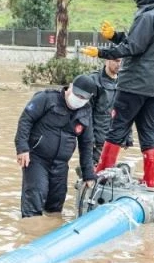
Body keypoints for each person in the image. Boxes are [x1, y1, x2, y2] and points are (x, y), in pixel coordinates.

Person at [81, 0, 154, 187]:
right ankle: (150, 181)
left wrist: (101, 52)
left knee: (117, 127)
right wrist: (115, 36)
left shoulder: (147, 16)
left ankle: (101, 175)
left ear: (143, 3)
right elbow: (141, 44)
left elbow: (132, 47)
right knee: (149, 131)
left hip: (134, 84)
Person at [14, 74, 96, 218]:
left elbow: (87, 143)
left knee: (56, 205)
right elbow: (26, 120)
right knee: (36, 194)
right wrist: (22, 148)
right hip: (36, 158)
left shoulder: (86, 110)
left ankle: (49, 230)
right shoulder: (46, 98)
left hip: (61, 164)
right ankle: (30, 231)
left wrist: (88, 174)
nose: (79, 100)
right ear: (70, 87)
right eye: (77, 95)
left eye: (84, 98)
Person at [84, 58, 123, 164]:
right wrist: (89, 138)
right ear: (107, 60)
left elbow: (125, 112)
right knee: (91, 174)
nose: (119, 64)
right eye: (116, 60)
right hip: (96, 141)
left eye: (121, 61)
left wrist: (127, 137)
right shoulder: (94, 81)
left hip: (114, 140)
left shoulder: (123, 82)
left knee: (109, 173)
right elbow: (85, 113)